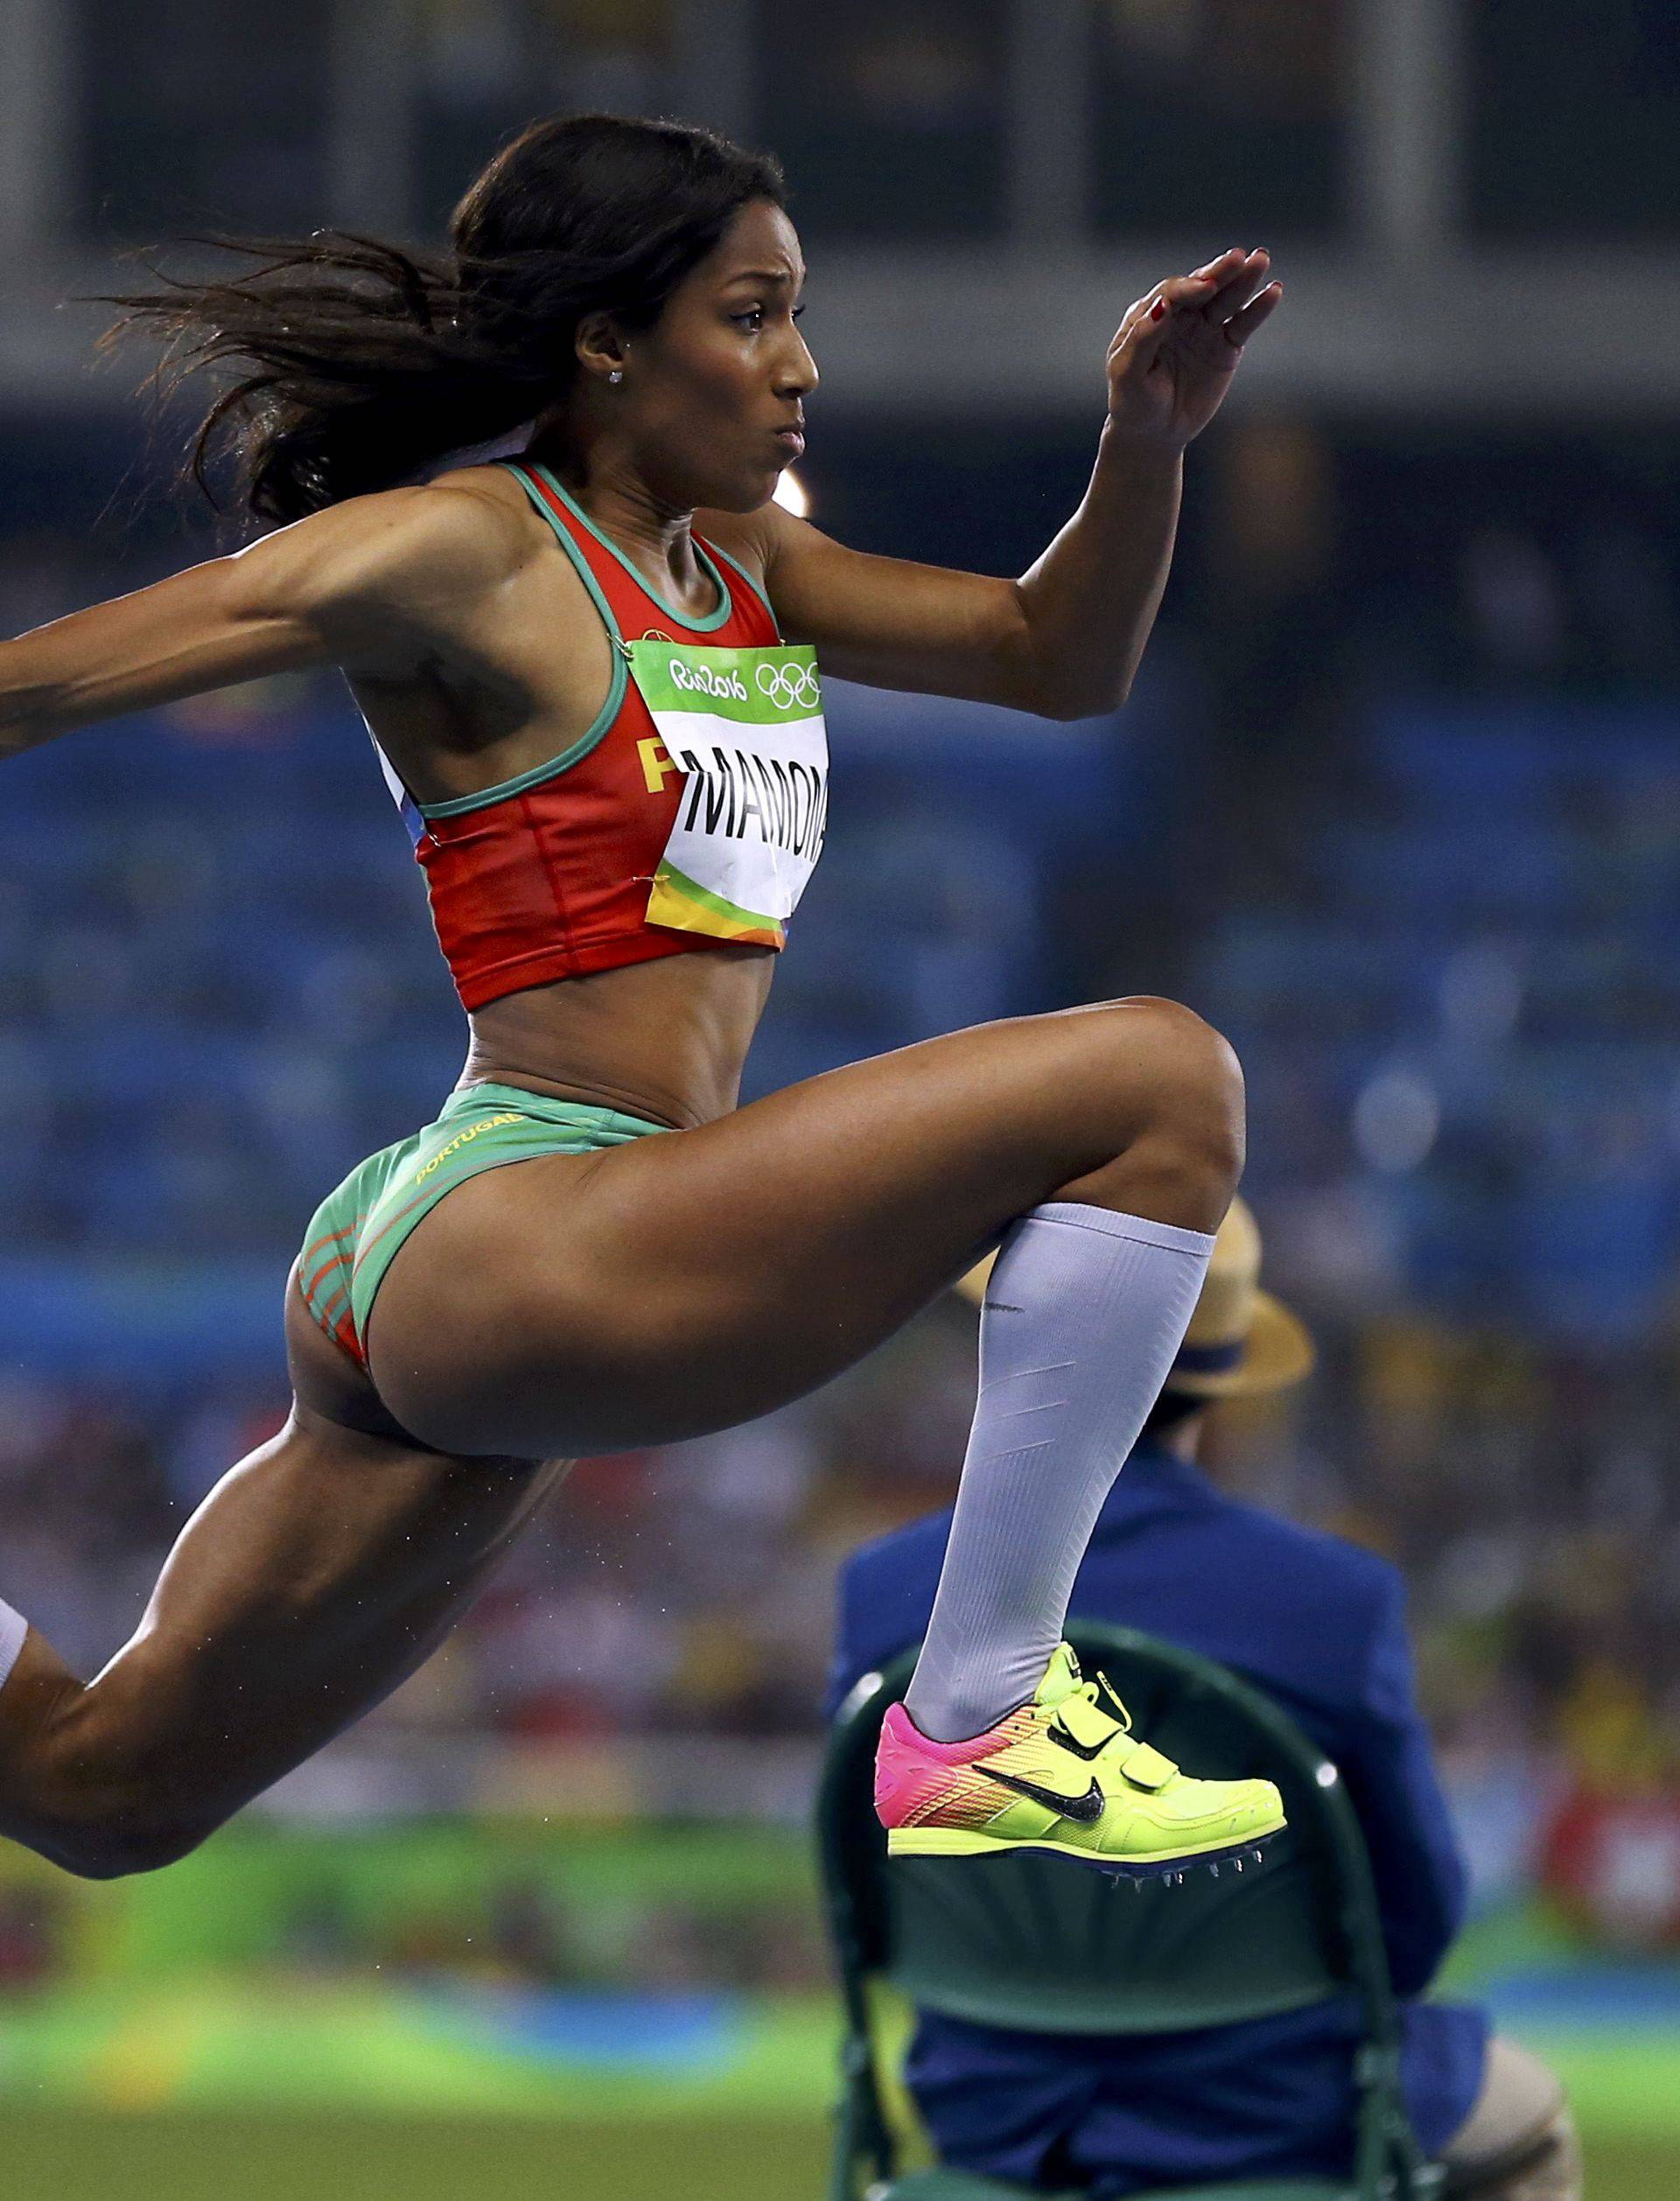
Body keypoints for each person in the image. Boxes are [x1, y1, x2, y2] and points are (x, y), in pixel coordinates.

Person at [0, 111, 1284, 1882]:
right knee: (1159, 1079)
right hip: (520, 1223)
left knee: (98, 1791)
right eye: (753, 315)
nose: (801, 366)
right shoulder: (472, 553)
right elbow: (38, 687)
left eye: (797, 315)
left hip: (539, 1256)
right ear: (608, 344)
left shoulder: (745, 569)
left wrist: (1144, 438)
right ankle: (980, 1718)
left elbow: (1057, 662)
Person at [828, 1201, 1583, 2199]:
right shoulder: (1336, 1600)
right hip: (1273, 2115)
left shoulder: (885, 1589)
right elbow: (1415, 1928)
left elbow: (868, 1902)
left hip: (991, 2115)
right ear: (1223, 1383)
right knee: (1534, 2127)